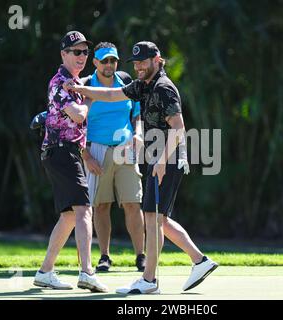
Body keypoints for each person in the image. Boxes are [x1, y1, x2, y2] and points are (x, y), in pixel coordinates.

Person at [63, 41, 218, 294]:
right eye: (135, 64)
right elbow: (113, 95)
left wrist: (160, 161)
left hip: (167, 159)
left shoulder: (163, 88)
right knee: (160, 220)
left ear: (157, 60)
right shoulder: (143, 85)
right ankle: (200, 261)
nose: (138, 67)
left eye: (143, 62)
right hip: (159, 159)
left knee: (153, 218)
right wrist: (82, 88)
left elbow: (178, 129)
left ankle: (149, 280)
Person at [33, 31, 108, 292]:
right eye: (76, 52)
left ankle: (45, 271)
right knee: (84, 209)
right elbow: (77, 116)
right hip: (61, 152)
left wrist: (83, 89)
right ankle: (87, 272)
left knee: (68, 216)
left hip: (63, 153)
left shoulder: (73, 82)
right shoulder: (61, 82)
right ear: (64, 54)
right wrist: (88, 96)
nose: (81, 57)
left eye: (85, 52)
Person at [81, 42, 146, 272]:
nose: (110, 65)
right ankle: (104, 256)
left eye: (113, 60)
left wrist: (138, 134)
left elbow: (136, 114)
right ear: (95, 62)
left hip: (125, 149)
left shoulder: (126, 81)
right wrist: (86, 155)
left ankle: (141, 256)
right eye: (105, 60)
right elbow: (75, 125)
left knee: (132, 203)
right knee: (101, 206)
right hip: (96, 150)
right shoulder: (86, 85)